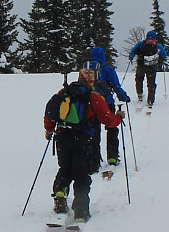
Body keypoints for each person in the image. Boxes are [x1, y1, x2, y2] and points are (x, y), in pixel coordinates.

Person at [43, 67, 125, 223]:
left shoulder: (63, 93)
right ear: (92, 81)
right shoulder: (93, 97)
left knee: (65, 168)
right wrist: (119, 118)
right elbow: (108, 120)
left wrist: (49, 130)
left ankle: (60, 194)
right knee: (81, 175)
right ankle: (81, 211)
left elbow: (50, 113)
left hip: (62, 138)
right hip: (82, 139)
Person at [82, 45, 129, 166]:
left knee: (93, 131)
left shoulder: (86, 68)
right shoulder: (108, 69)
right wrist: (124, 97)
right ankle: (112, 156)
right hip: (107, 102)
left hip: (90, 104)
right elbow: (116, 86)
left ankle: (94, 159)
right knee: (111, 128)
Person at [127, 30, 168, 108]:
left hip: (141, 65)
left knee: (139, 79)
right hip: (152, 66)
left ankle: (140, 94)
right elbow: (164, 54)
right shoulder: (157, 45)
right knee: (151, 82)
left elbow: (133, 50)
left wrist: (131, 57)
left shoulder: (141, 44)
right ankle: (150, 100)